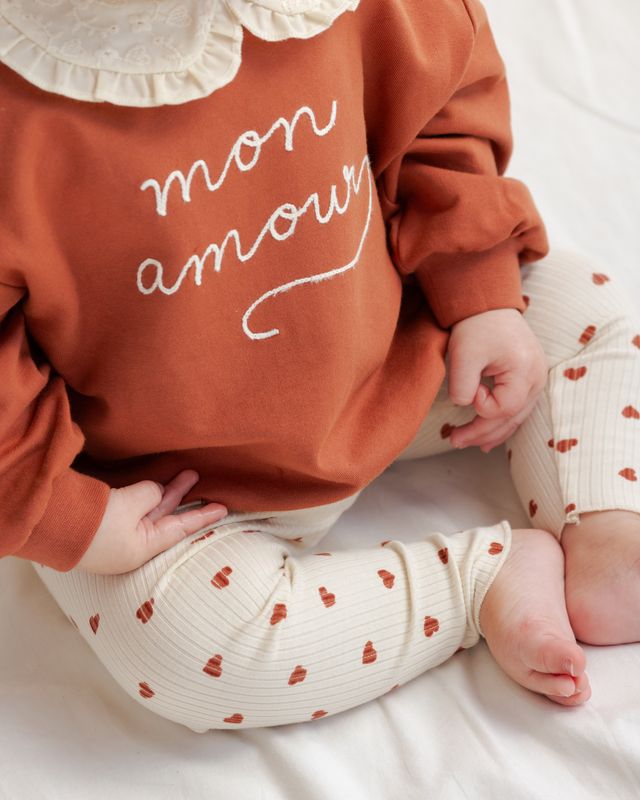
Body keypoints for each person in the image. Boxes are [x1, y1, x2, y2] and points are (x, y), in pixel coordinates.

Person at [1, 0, 639, 731]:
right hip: (171, 494)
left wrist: (478, 290)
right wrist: (69, 518)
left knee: (577, 302)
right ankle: (477, 582)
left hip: (406, 353)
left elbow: (441, 110)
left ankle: (605, 526)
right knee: (183, 647)